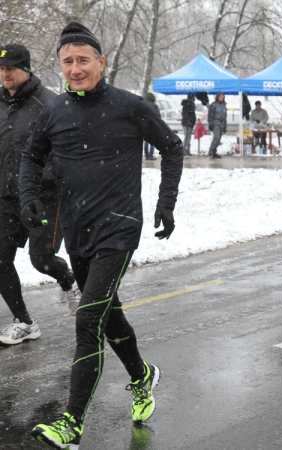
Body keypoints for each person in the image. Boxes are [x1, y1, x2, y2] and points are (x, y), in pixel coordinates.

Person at [19, 22, 183, 448]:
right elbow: (30, 158)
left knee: (88, 318)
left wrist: (166, 202)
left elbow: (172, 146)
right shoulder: (54, 112)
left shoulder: (130, 107)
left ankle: (71, 422)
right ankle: (142, 376)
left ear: (101, 62)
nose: (75, 69)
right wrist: (28, 197)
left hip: (119, 227)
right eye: (67, 61)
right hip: (78, 230)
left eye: (83, 60)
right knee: (108, 314)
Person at [0, 43, 78, 346]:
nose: (5, 73)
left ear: (27, 69)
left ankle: (68, 280)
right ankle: (24, 321)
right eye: (1, 68)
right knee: (0, 258)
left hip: (44, 197)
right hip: (5, 196)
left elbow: (65, 151)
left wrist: (45, 178)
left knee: (41, 259)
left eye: (11, 68)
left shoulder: (50, 103)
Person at [207, 91, 227, 158]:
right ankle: (211, 152)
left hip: (222, 123)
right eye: (220, 96)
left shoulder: (224, 105)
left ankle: (214, 151)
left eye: (222, 96)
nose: (221, 98)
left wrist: (225, 126)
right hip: (216, 123)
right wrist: (210, 123)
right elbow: (210, 115)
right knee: (216, 137)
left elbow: (225, 117)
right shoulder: (214, 105)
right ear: (217, 97)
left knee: (218, 140)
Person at [142, 92, 160, 160]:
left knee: (146, 141)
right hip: (152, 125)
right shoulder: (155, 106)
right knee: (152, 141)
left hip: (145, 126)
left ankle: (146, 155)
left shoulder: (144, 105)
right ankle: (151, 155)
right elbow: (158, 116)